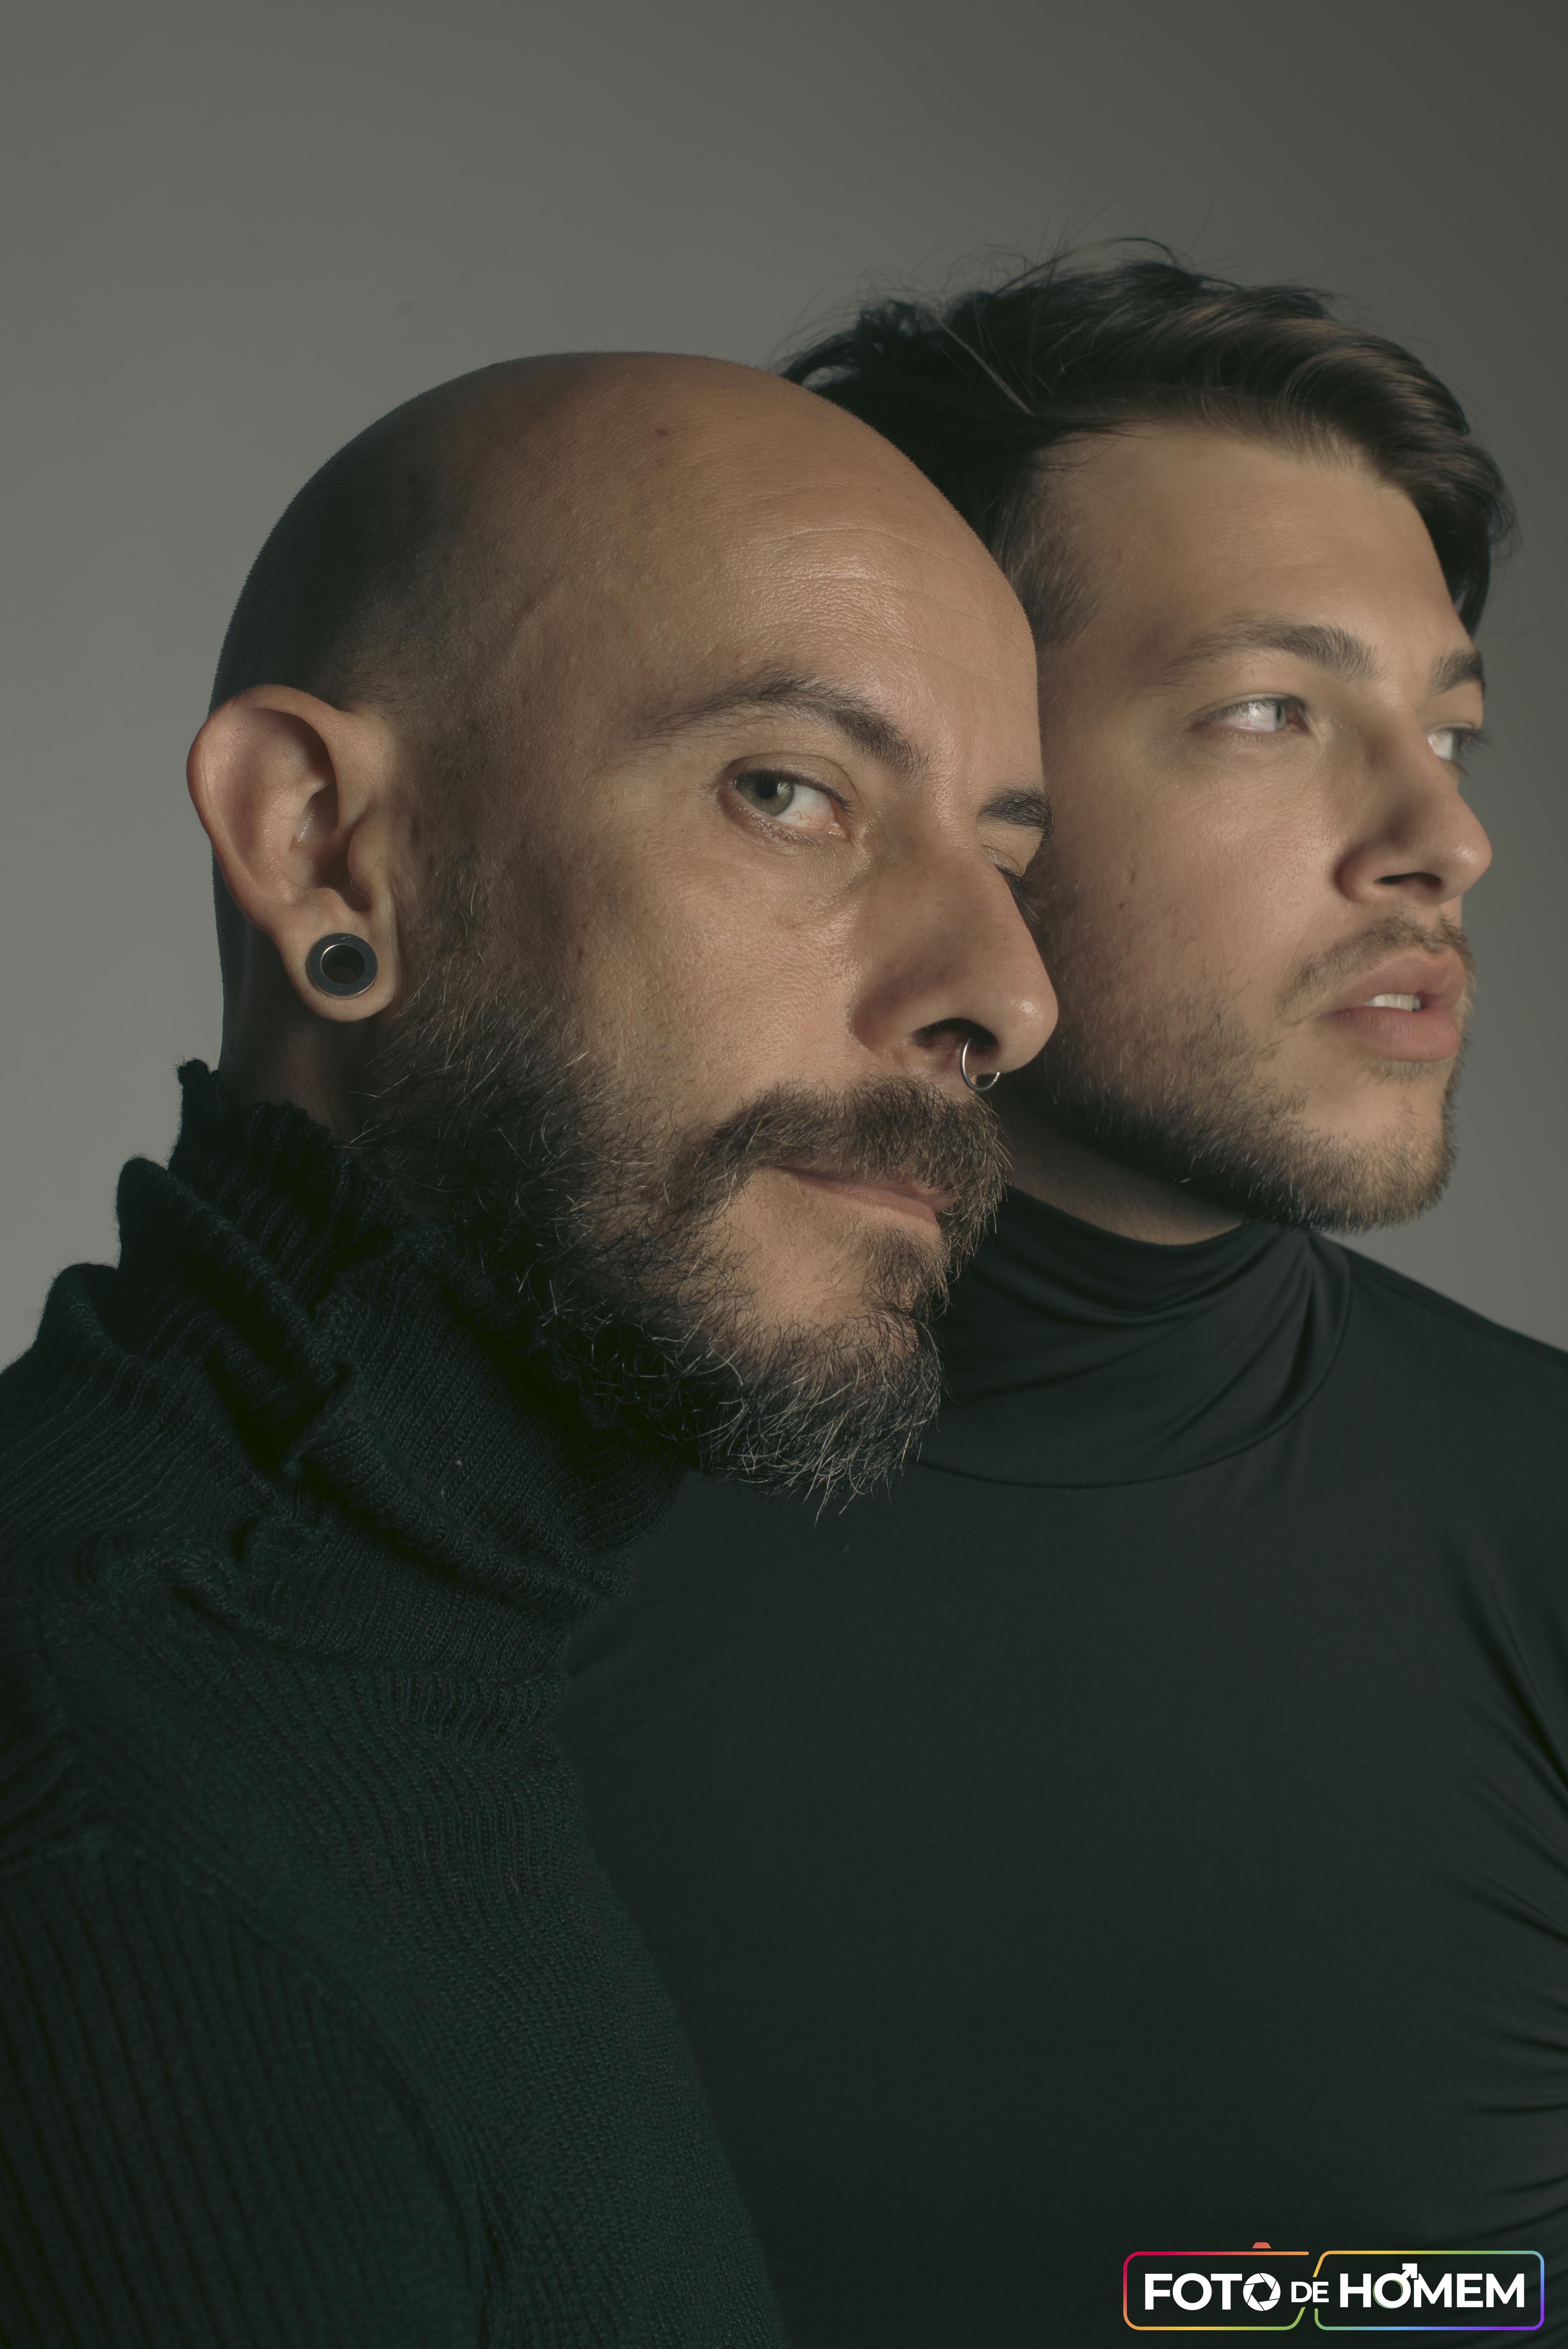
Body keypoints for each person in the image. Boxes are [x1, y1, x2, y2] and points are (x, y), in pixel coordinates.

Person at [0, 351, 1057, 2346]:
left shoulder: (420, 1669)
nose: (1005, 994)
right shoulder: (111, 1873)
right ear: (325, 850)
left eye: (1002, 858)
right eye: (789, 792)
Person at [558, 261, 1568, 2347]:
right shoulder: (433, 1542)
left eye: (1449, 731)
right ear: (935, 770)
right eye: (1270, 713)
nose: (1443, 839)